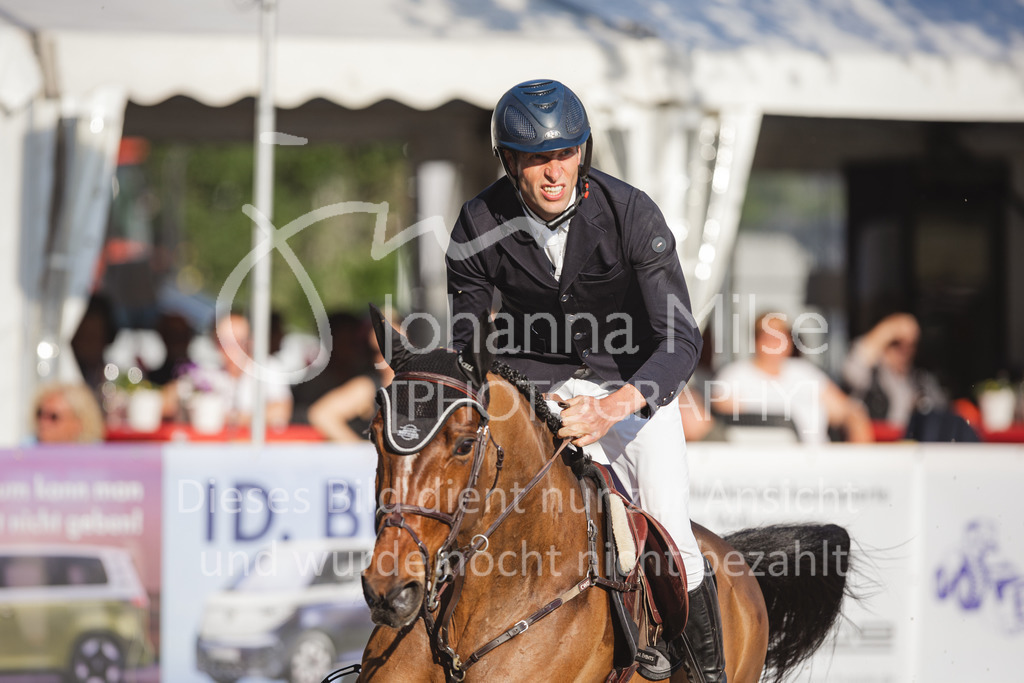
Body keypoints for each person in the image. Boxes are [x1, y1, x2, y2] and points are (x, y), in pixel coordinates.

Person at [444, 80, 721, 681]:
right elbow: (466, 345)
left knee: (675, 540)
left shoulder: (630, 212)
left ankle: (706, 675)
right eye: (539, 158)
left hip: (632, 391)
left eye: (566, 153)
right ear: (510, 161)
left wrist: (611, 408)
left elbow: (680, 340)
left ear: (583, 152)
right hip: (533, 392)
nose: (554, 172)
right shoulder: (477, 222)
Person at [713, 313, 874, 444]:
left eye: (781, 336)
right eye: (768, 336)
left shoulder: (804, 372)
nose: (775, 343)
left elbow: (846, 410)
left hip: (816, 463)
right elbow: (721, 411)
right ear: (756, 340)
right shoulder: (735, 374)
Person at [163, 312, 293, 429]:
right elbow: (169, 399)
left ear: (250, 342)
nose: (232, 349)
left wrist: (227, 418)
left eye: (238, 342)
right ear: (215, 342)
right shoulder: (208, 371)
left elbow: (281, 411)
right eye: (224, 342)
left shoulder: (268, 368)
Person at [841, 312, 948, 429]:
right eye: (896, 343)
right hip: (874, 445)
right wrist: (890, 328)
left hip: (910, 445)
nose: (905, 349)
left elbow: (942, 410)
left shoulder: (920, 380)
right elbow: (851, 370)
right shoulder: (869, 375)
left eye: (911, 344)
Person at [308, 315, 395, 442]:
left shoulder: (426, 387)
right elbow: (321, 415)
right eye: (377, 351)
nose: (384, 358)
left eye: (394, 347)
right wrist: (362, 451)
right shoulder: (367, 387)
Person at [31, 382, 105, 444]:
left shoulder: (96, 455)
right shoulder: (25, 451)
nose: (43, 422)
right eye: (39, 413)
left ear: (78, 423)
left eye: (53, 417)